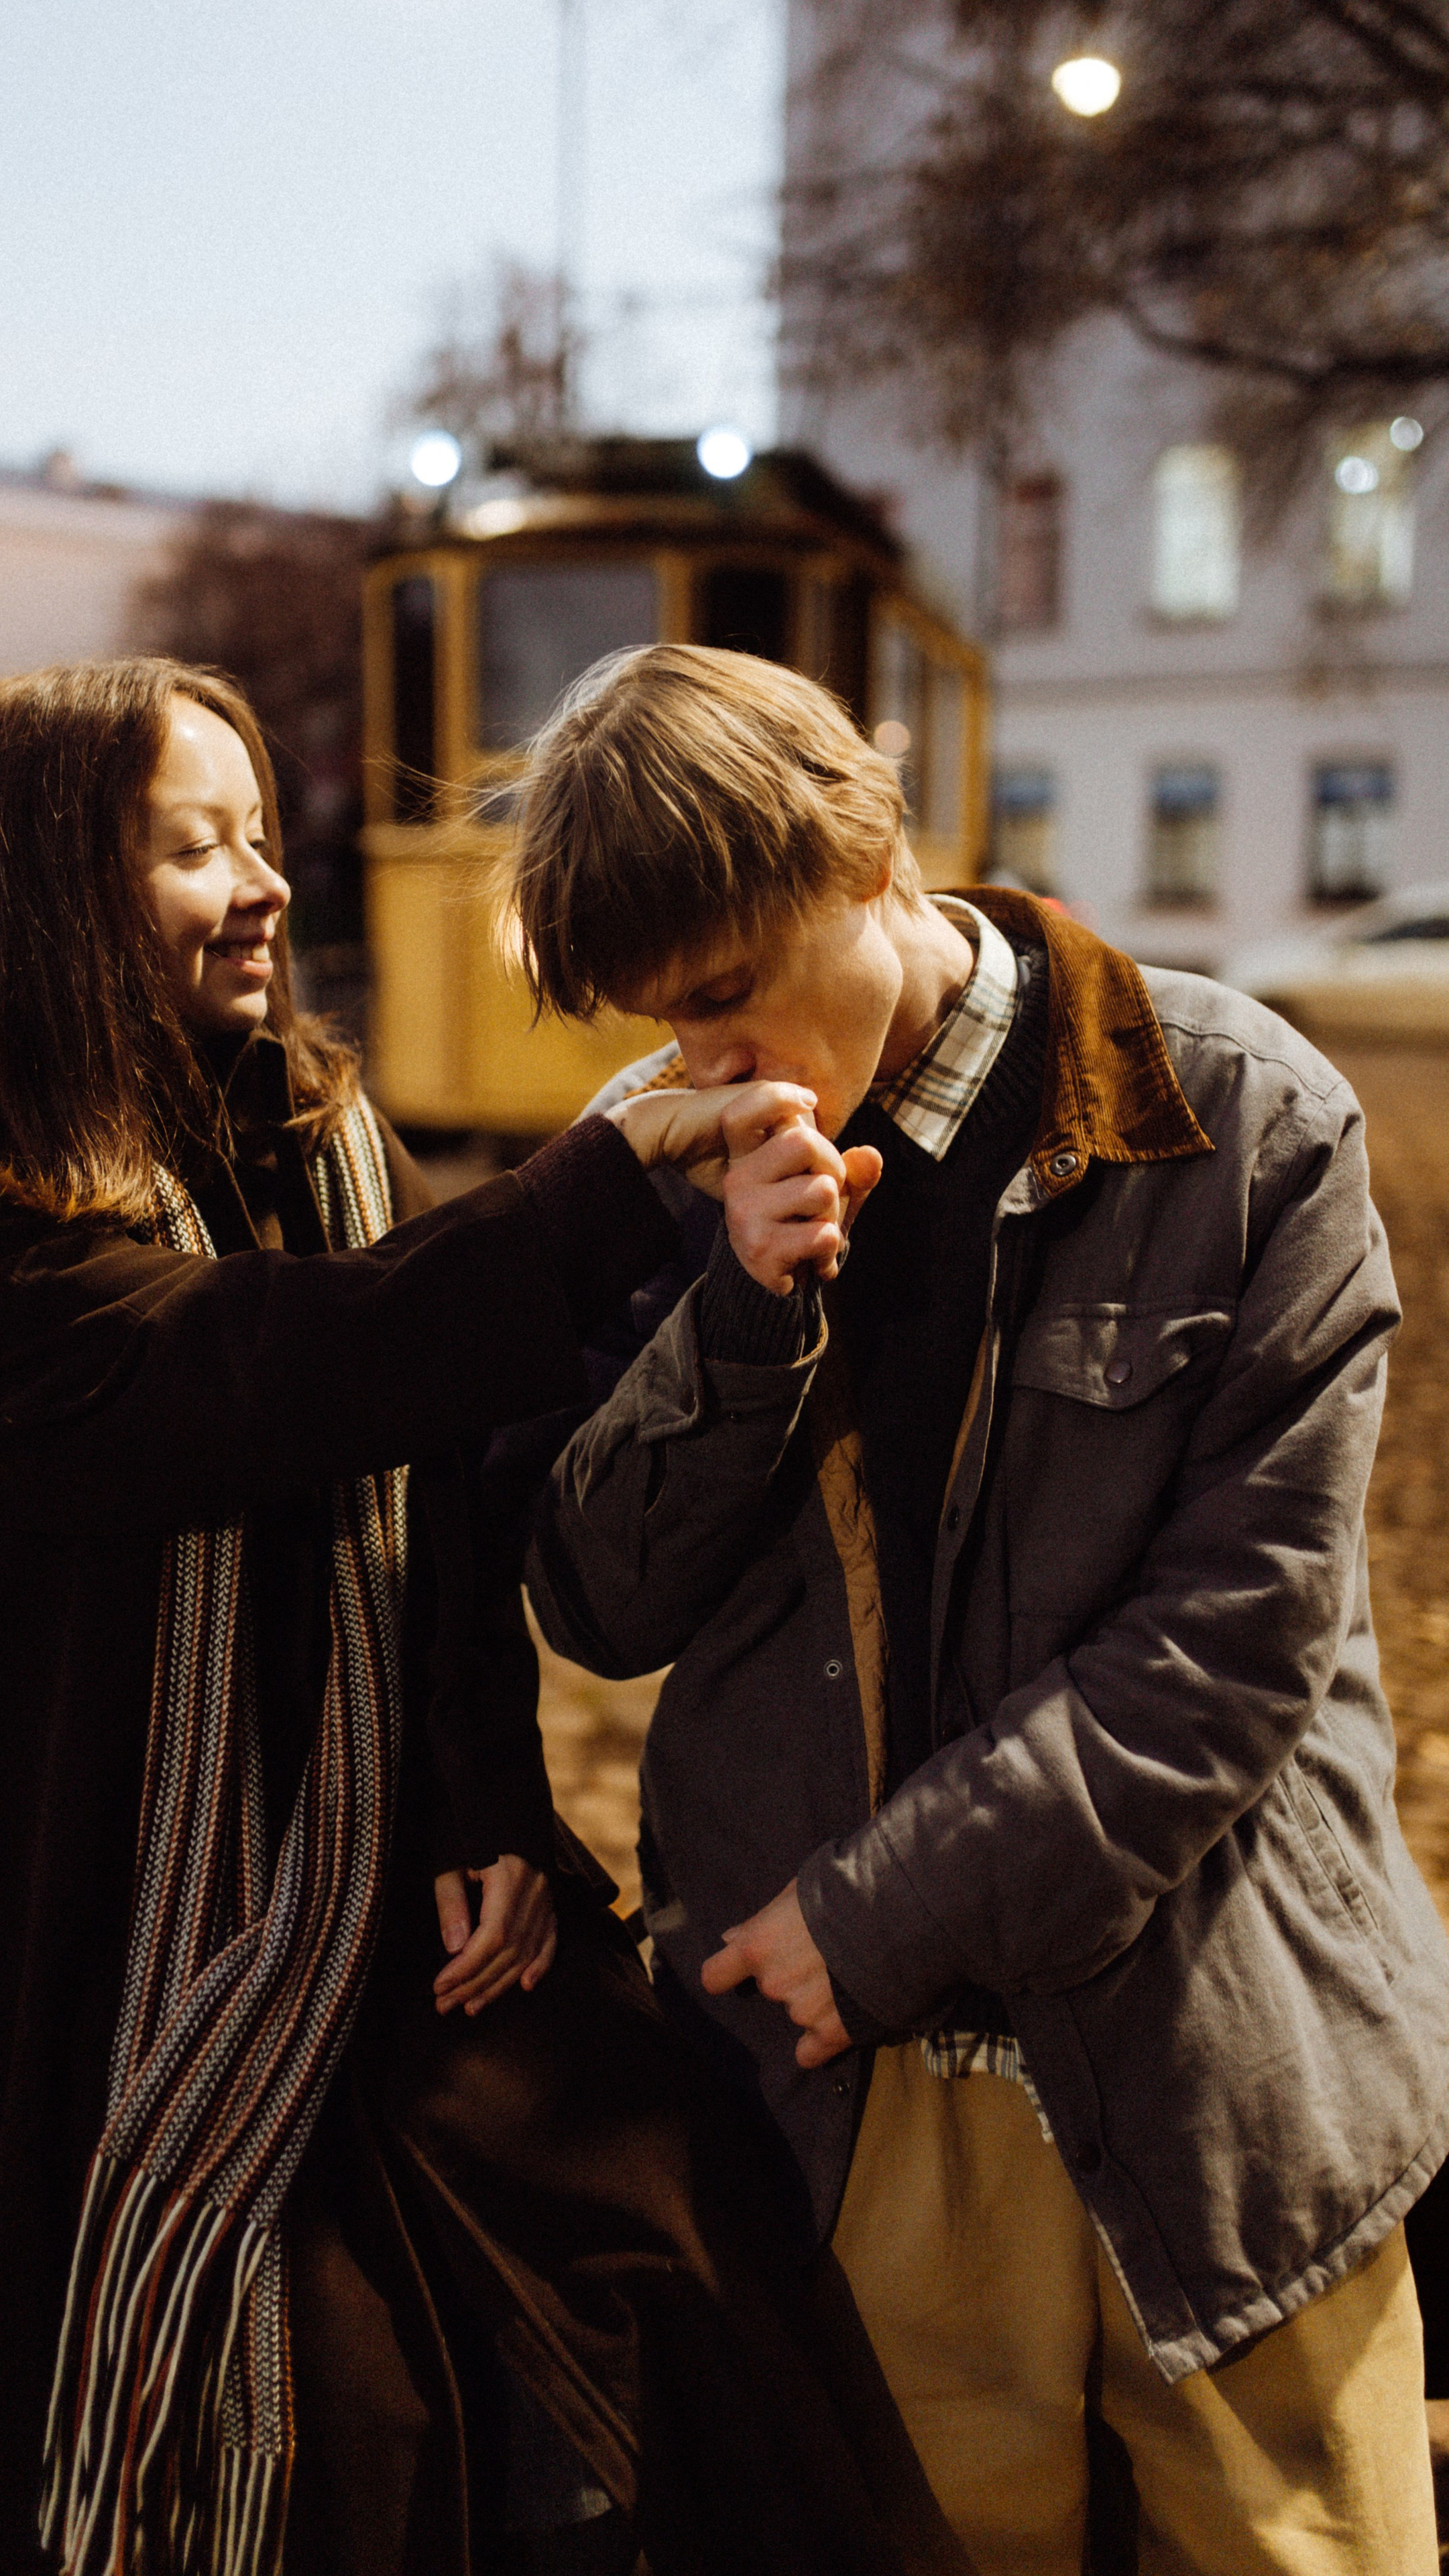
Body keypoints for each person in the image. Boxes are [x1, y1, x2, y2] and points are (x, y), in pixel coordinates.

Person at [0, 659, 942, 2576]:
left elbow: (453, 1490)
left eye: (255, 832)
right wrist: (583, 1198)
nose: (265, 884)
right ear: (46, 887)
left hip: (339, 1883)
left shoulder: (318, 1132)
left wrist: (484, 1805)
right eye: (190, 848)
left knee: (678, 2234)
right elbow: (248, 1374)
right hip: (29, 1937)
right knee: (180, 2424)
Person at [512, 642, 1449, 2573]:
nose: (703, 1064)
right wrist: (742, 1323)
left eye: (725, 997)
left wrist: (881, 1912)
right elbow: (593, 1596)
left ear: (867, 859)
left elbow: (1229, 1653)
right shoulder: (655, 1160)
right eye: (655, 1020)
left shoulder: (1240, 1115)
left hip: (1212, 2059)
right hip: (856, 2108)